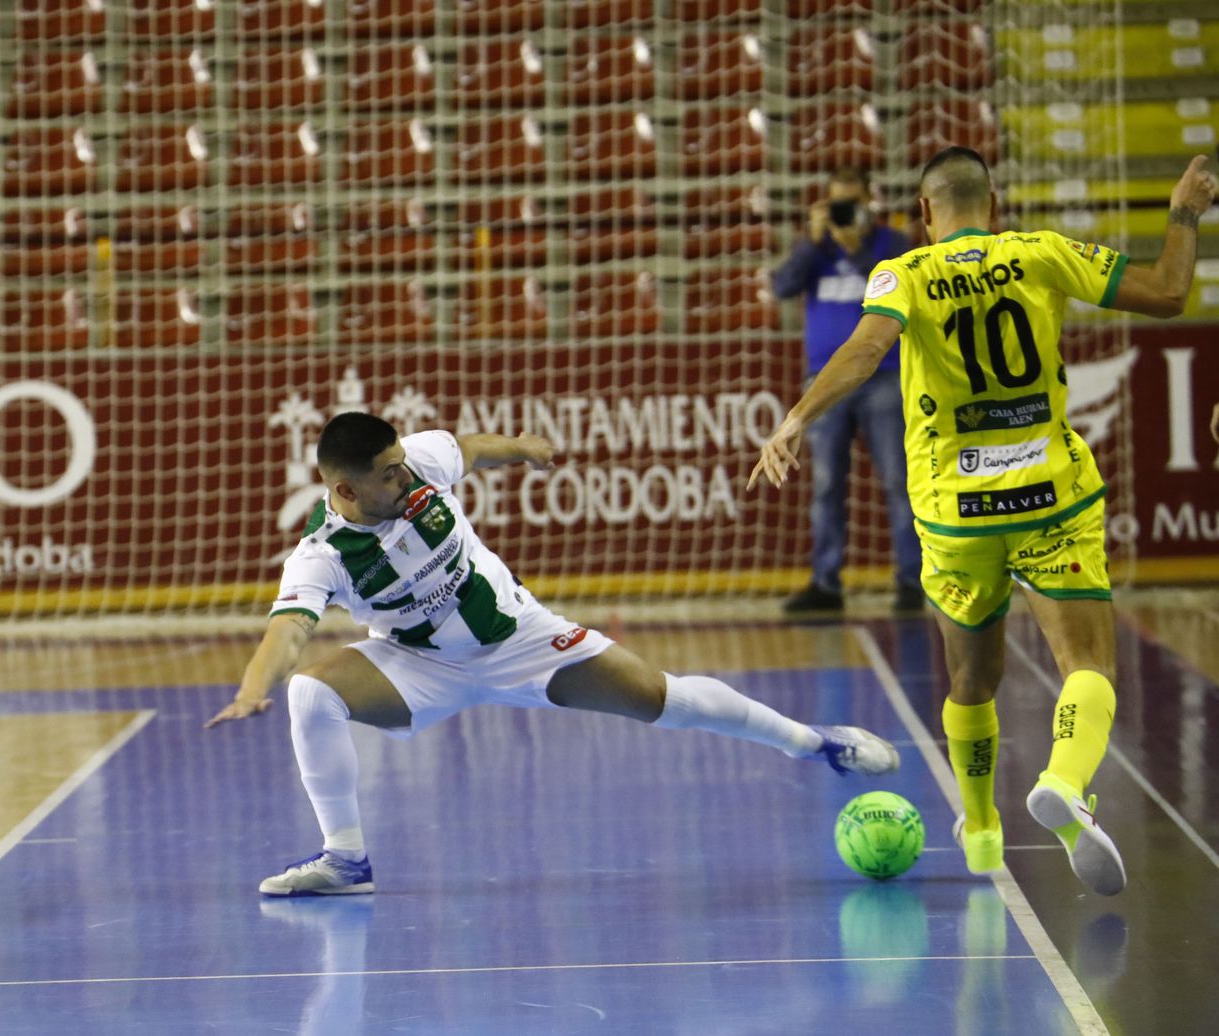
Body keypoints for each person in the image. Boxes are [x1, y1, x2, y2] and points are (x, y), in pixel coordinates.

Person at [750, 148, 1218, 896]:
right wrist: (1184, 214)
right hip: (1048, 496)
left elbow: (869, 348)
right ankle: (1064, 780)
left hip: (956, 513)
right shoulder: (1040, 253)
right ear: (993, 205)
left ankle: (982, 829)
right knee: (1086, 665)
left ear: (925, 214)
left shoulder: (904, 271)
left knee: (971, 677)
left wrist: (797, 417)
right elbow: (1166, 293)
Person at [206, 412, 901, 896]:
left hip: (520, 639)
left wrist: (520, 446)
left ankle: (817, 744)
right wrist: (252, 687)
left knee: (664, 698)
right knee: (310, 692)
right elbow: (288, 631)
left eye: (402, 464)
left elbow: (468, 450)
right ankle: (345, 860)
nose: (406, 478)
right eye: (388, 476)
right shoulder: (322, 556)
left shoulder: (416, 462)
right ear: (345, 491)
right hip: (420, 667)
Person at [771, 168, 920, 614]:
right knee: (827, 484)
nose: (845, 212)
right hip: (825, 382)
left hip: (886, 376)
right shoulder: (816, 248)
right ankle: (826, 582)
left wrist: (856, 250)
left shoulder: (890, 246)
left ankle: (912, 582)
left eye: (852, 203)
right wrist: (813, 242)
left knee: (898, 481)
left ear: (869, 203)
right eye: (838, 203)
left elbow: (905, 289)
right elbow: (781, 286)